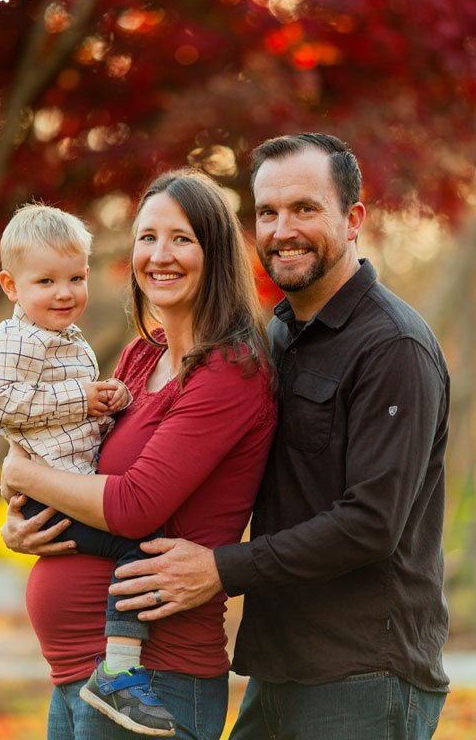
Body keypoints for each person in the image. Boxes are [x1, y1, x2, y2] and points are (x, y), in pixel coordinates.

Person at [108, 133, 450, 738]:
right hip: (280, 667)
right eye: (267, 212)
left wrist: (220, 569)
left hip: (365, 674)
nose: (281, 229)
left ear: (353, 220)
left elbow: (372, 522)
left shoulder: (392, 346)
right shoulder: (277, 338)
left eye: (305, 209)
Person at [1, 170, 277, 740]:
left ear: (216, 253)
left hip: (157, 680)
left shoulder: (230, 372)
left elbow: (132, 506)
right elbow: (76, 466)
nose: (160, 255)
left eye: (181, 238)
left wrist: (19, 471)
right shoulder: (137, 357)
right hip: (81, 674)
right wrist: (21, 519)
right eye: (147, 237)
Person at [0, 202, 174, 736]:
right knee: (142, 543)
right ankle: (122, 671)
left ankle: (119, 666)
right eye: (46, 281)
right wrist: (81, 398)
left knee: (139, 539)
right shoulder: (16, 340)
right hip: (54, 490)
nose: (65, 293)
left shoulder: (67, 338)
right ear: (11, 285)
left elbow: (76, 423)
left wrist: (112, 398)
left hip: (63, 481)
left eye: (76, 278)